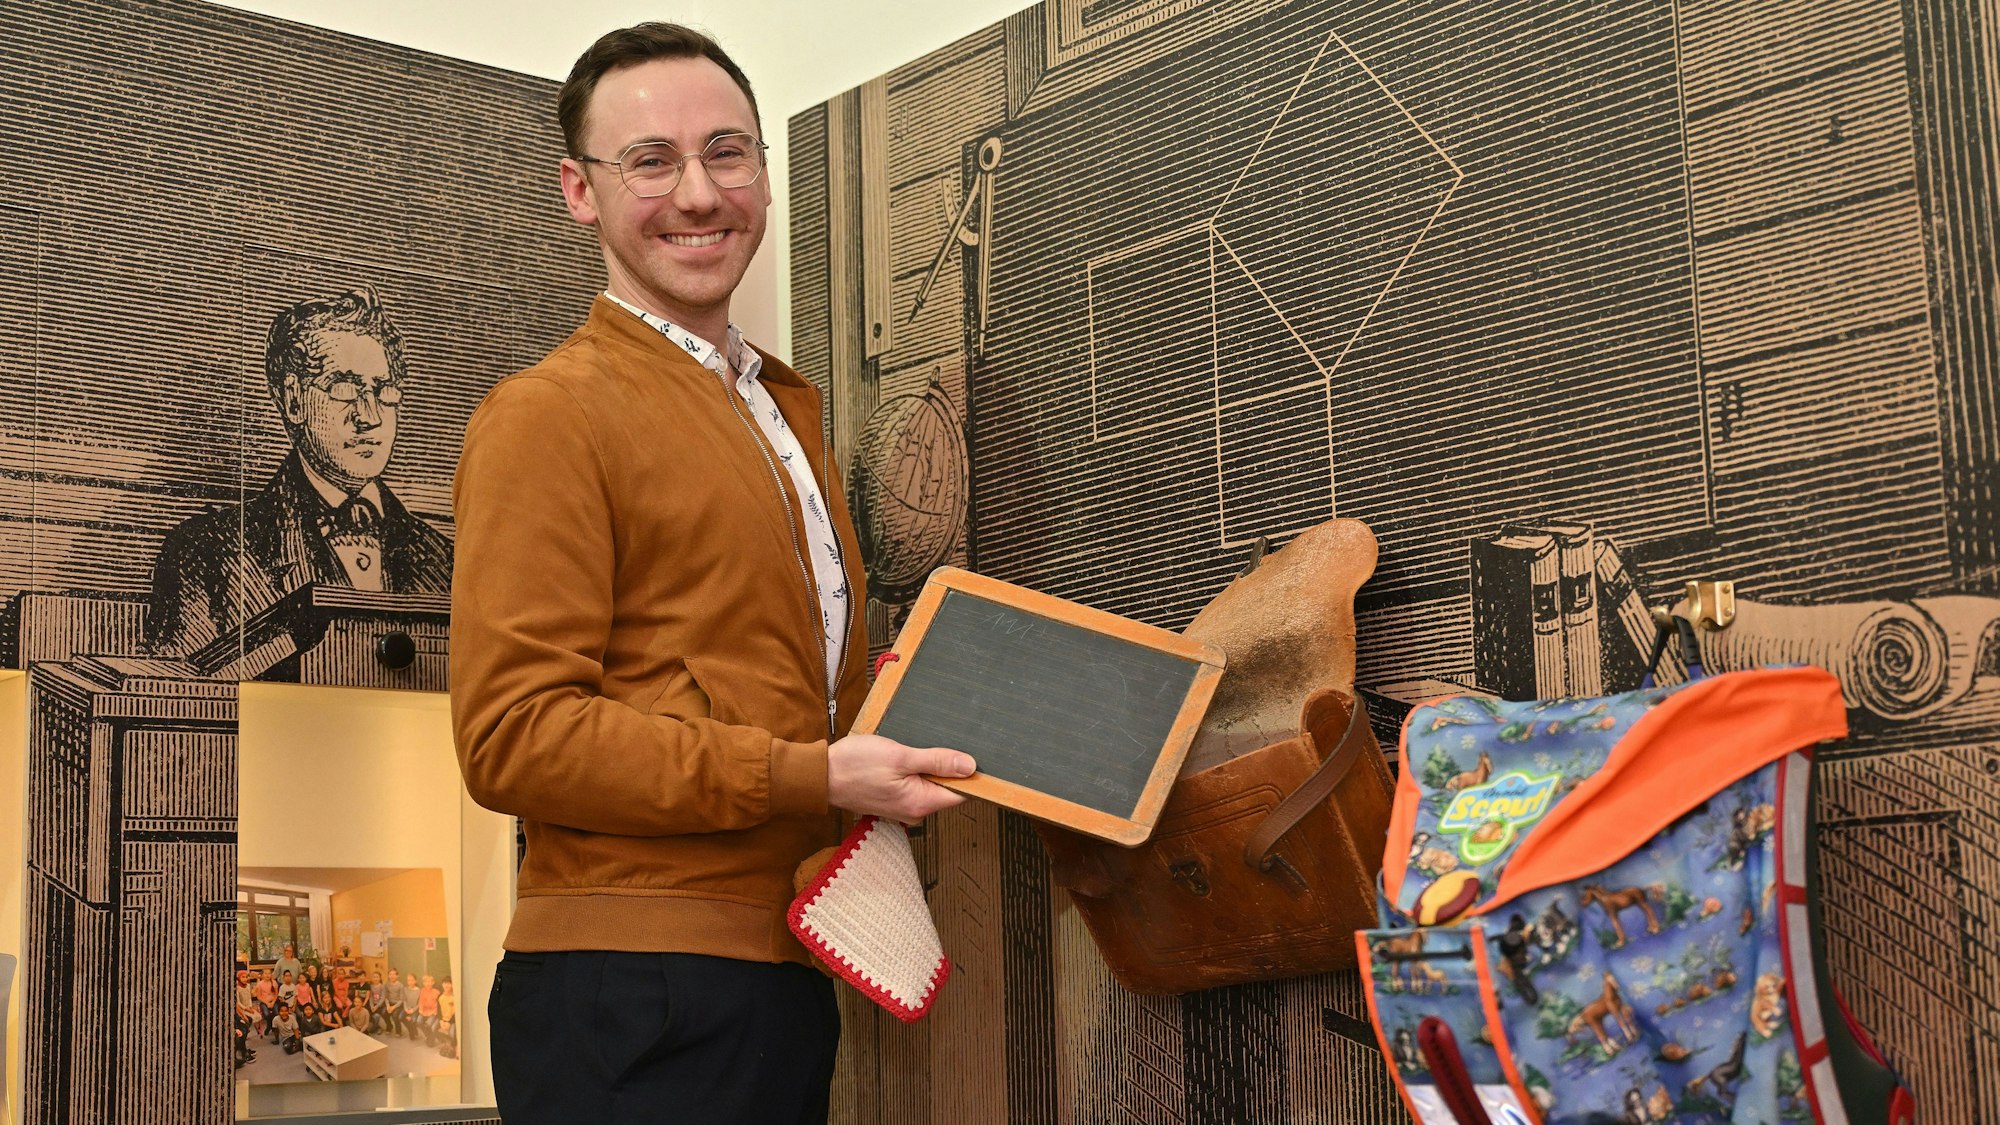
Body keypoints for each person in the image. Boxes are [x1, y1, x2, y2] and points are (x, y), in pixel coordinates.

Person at [450, 22, 974, 1125]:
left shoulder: (780, 412)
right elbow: (512, 736)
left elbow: (747, 686)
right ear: (579, 191)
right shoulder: (547, 415)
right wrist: (814, 775)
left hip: (767, 978)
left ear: (763, 177)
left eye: (727, 154)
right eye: (650, 162)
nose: (697, 193)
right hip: (629, 999)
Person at [146, 285, 454, 658]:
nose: (370, 417)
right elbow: (180, 704)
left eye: (383, 391)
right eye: (344, 388)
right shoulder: (209, 553)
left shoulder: (445, 559)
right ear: (293, 401)